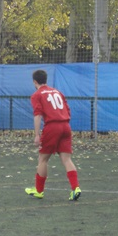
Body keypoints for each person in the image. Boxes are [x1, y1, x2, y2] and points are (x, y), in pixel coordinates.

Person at [25, 69, 81, 201]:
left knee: (43, 159)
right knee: (66, 159)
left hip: (52, 127)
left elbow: (38, 114)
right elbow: (68, 109)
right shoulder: (57, 92)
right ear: (46, 80)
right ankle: (76, 188)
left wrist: (37, 134)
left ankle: (39, 191)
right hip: (66, 125)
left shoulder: (37, 95)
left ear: (34, 82)